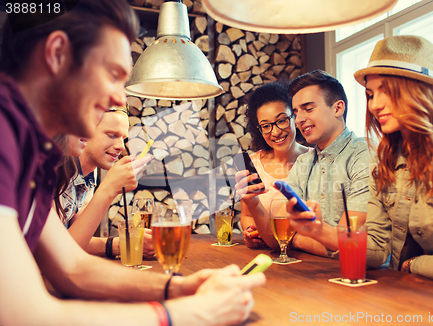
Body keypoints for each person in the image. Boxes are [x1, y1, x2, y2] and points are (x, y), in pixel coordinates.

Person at [0, 1, 265, 325]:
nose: (118, 99)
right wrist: (190, 313)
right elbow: (23, 315)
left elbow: (72, 267)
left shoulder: (35, 153)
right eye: (113, 74)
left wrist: (179, 287)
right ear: (57, 54)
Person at [289, 35, 433, 291]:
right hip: (410, 295)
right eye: (370, 94)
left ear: (420, 89)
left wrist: (412, 265)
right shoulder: (385, 160)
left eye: (386, 91)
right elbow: (377, 251)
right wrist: (318, 230)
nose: (375, 105)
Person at [236, 70, 370, 257]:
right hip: (314, 275)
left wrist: (296, 240)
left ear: (338, 108)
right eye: (297, 112)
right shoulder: (303, 162)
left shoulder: (364, 153)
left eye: (308, 109)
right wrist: (253, 202)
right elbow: (279, 239)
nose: (299, 119)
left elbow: (349, 245)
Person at [54, 106, 155, 259]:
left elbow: (77, 236)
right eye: (112, 135)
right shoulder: (54, 170)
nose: (121, 146)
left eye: (123, 137)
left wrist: (121, 245)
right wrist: (109, 188)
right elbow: (57, 253)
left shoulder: (89, 172)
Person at [237, 82, 309, 249]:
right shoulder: (253, 165)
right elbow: (247, 214)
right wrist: (250, 232)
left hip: (306, 257)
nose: (275, 132)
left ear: (294, 116)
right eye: (266, 126)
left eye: (282, 120)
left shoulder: (316, 159)